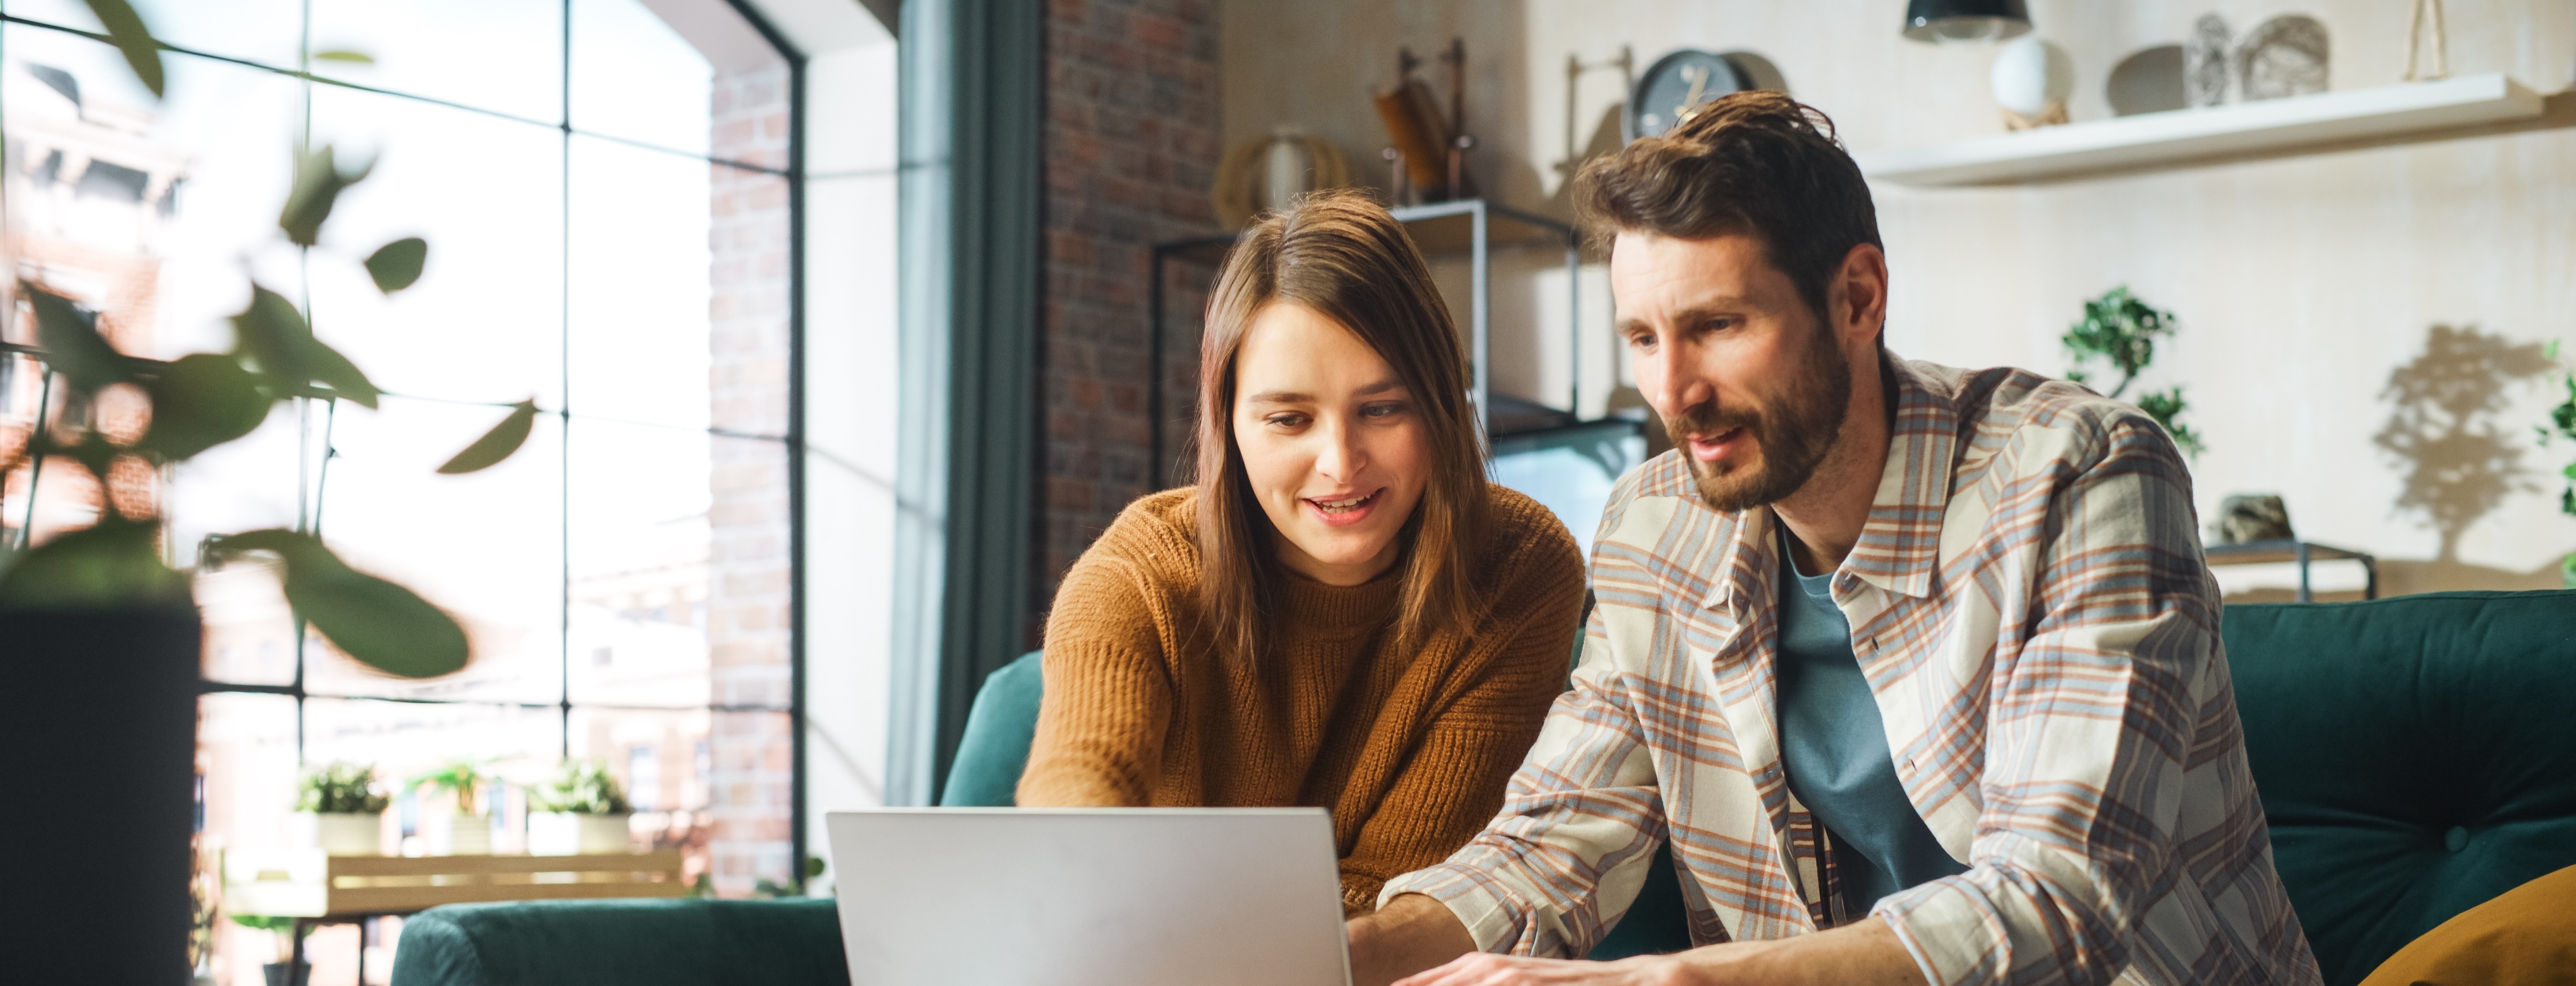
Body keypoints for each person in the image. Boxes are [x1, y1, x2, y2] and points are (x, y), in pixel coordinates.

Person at [1345, 93, 2322, 986]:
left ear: (1857, 298)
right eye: (1642, 338)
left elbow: (2064, 893)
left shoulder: (2080, 473)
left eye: (1717, 324)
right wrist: (1330, 958)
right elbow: (1553, 841)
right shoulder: (1654, 525)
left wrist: (1670, 981)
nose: (1673, 392)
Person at [1016, 189, 1588, 917]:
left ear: (1442, 403)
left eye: (1382, 409)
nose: (1340, 463)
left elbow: (1402, 899)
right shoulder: (1139, 573)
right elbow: (1076, 793)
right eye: (1289, 418)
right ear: (1228, 423)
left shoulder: (1516, 567)